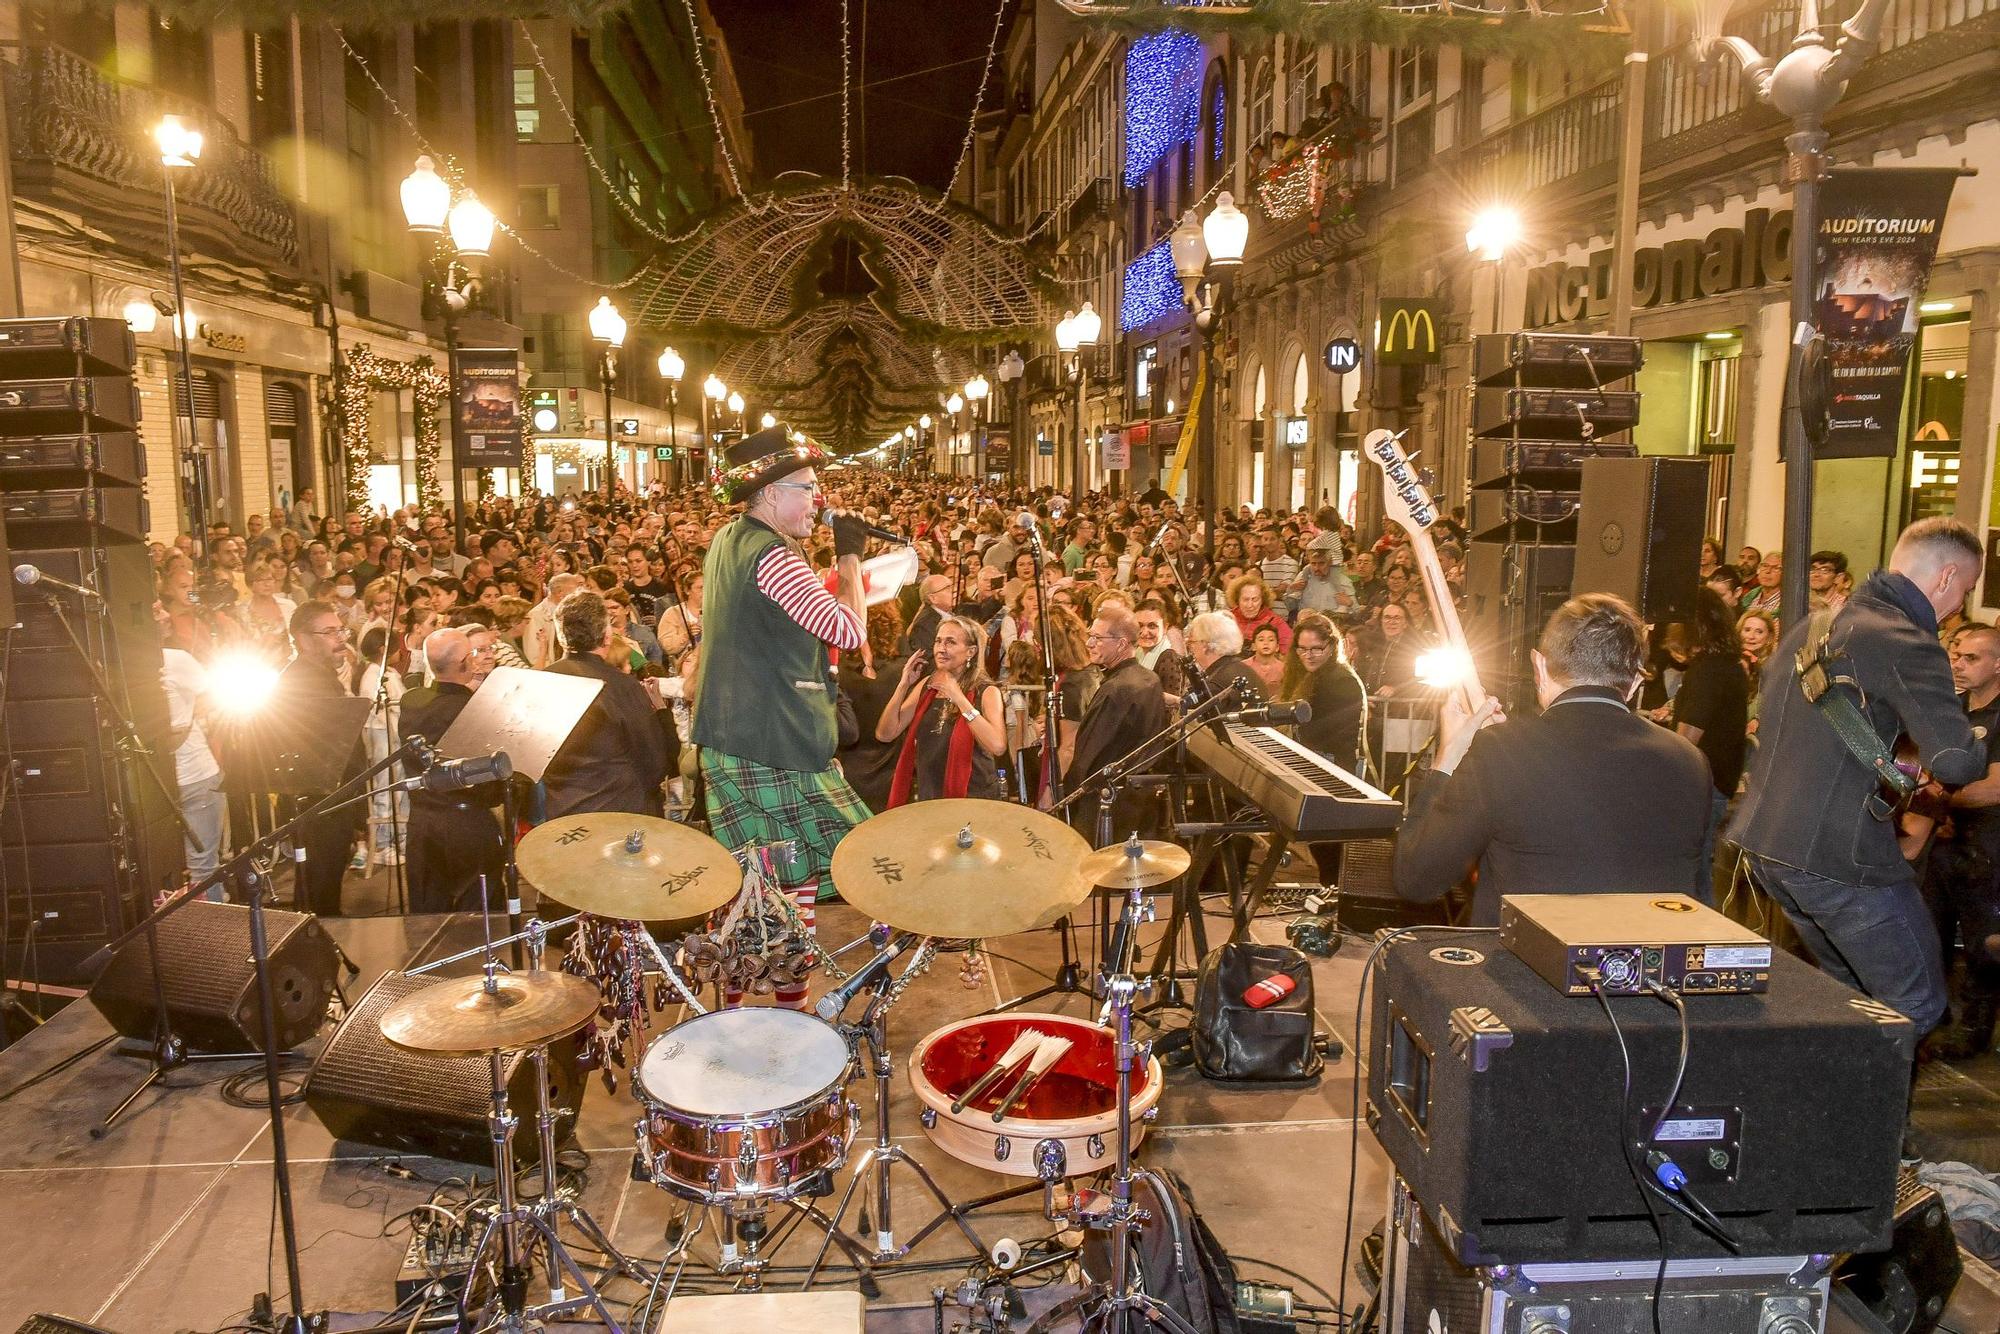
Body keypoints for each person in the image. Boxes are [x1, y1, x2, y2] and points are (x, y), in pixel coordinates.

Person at [1729, 518, 1988, 1055]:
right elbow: (1958, 762)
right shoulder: (1907, 642)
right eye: (1963, 590)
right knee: (1916, 1003)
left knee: (1850, 998)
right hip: (1840, 857)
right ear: (1944, 578)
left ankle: (1830, 1120)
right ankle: (1862, 1133)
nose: (1957, 608)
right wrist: (1971, 727)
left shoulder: (1814, 625)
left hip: (1768, 843)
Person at [1392, 594, 1712, 925]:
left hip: (1524, 974)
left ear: (1540, 666)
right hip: (1643, 971)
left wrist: (1447, 760)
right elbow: (1697, 900)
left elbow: (1417, 877)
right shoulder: (1691, 762)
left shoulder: (1501, 750)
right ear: (1633, 683)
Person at [691, 427, 872, 1001]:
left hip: (745, 737)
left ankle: (760, 1013)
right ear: (770, 494)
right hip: (769, 741)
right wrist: (850, 559)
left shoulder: (728, 538)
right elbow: (848, 628)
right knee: (788, 883)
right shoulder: (772, 557)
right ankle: (770, 1017)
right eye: (808, 488)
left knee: (771, 886)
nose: (817, 501)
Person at [398, 627, 507, 913]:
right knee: (480, 918)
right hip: (467, 826)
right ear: (466, 662)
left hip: (423, 824)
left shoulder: (411, 701)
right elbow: (492, 786)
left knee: (427, 920)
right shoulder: (473, 708)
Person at [543, 590, 674, 818]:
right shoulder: (622, 687)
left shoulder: (540, 680)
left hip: (561, 815)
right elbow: (655, 764)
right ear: (606, 636)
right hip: (619, 816)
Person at [275, 600, 363, 917]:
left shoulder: (320, 676)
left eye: (340, 630)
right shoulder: (301, 680)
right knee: (319, 887)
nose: (341, 638)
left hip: (331, 798)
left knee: (325, 882)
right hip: (319, 800)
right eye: (329, 632)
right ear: (303, 638)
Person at [1668, 588, 1750, 901]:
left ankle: (1703, 942)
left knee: (1695, 873)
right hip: (1715, 781)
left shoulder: (1710, 671)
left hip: (1704, 785)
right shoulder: (1728, 665)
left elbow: (1686, 740)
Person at [877, 614, 1006, 803]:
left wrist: (960, 699)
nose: (941, 649)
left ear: (971, 651)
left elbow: (998, 746)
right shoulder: (927, 686)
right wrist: (903, 685)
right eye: (938, 641)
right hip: (930, 798)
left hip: (974, 799)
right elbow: (885, 734)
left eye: (950, 642)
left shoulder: (986, 692)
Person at [1066, 605, 1169, 838]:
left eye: (1097, 638)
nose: (1089, 643)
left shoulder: (1116, 689)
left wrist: (1068, 797)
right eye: (1089, 636)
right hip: (1140, 802)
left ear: (1122, 644)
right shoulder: (1150, 678)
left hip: (1108, 807)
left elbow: (1088, 755)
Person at [154, 601, 226, 899]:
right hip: (190, 775)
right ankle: (210, 937)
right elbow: (216, 695)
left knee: (184, 870)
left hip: (185, 778)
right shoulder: (175, 660)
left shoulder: (172, 659)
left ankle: (204, 934)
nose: (166, 615)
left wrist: (187, 722)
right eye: (156, 610)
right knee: (203, 867)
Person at [1278, 611, 1366, 773]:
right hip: (1308, 759)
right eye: (1302, 649)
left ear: (1332, 646)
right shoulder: (1301, 673)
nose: (1308, 655)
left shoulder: (1343, 681)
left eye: (1317, 649)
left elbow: (1341, 741)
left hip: (1329, 767)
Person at [1184, 609, 1265, 706]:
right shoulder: (1240, 667)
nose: (1190, 648)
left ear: (1205, 645)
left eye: (1192, 642)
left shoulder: (1216, 682)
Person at [905, 573, 955, 659]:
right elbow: (928, 660)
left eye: (952, 586)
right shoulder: (924, 625)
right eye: (947, 588)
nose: (954, 590)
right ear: (933, 598)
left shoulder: (953, 614)